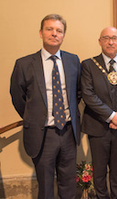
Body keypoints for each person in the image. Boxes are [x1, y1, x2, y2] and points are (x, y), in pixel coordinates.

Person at [10, 14, 81, 199]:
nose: (54, 34)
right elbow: (18, 97)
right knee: (46, 186)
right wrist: (34, 116)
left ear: (63, 35)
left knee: (68, 185)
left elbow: (78, 93)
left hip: (68, 132)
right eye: (49, 29)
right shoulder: (24, 64)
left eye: (59, 30)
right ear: (41, 33)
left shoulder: (73, 61)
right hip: (42, 134)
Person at [81, 26, 117, 199]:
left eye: (115, 38)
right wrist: (112, 116)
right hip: (98, 128)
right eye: (106, 38)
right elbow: (88, 95)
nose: (111, 41)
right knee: (99, 171)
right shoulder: (88, 65)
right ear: (100, 41)